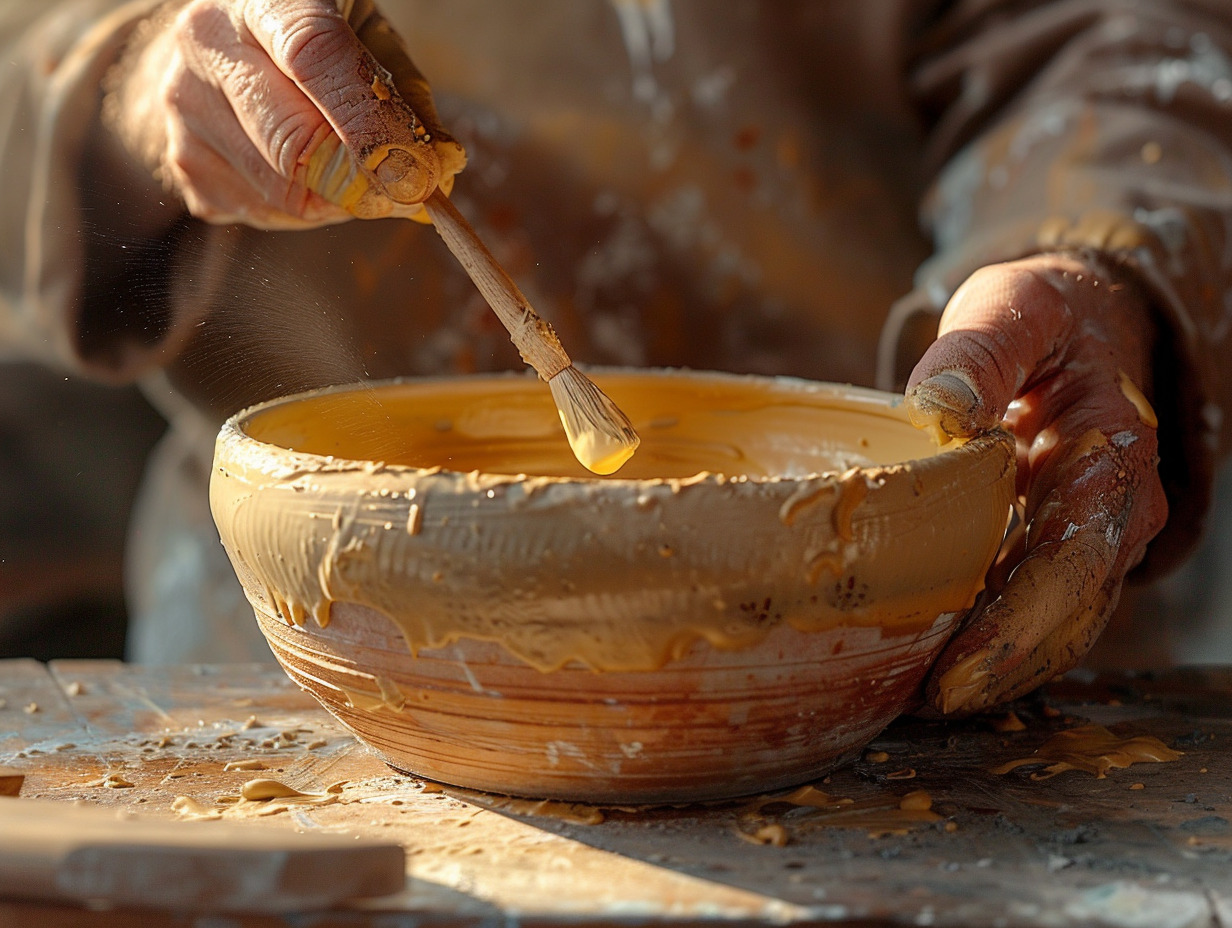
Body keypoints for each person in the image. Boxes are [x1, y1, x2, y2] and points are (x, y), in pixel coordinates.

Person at [1, 0, 1229, 714]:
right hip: (336, 659)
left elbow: (1113, 32)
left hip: (923, 626)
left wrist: (1088, 254)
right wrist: (128, 85)